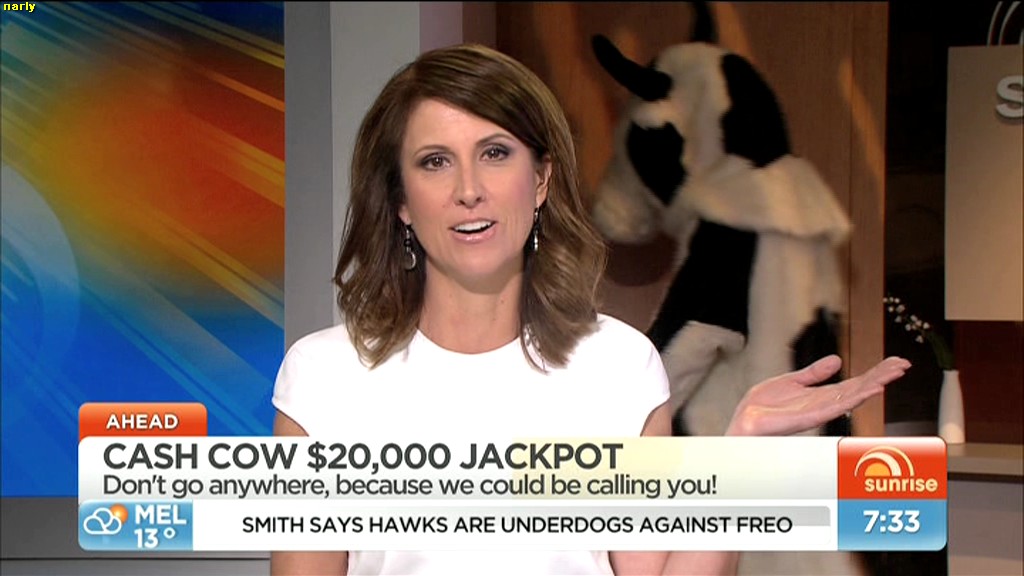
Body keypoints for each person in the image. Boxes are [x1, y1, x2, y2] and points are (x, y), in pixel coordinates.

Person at [269, 43, 910, 576]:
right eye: (435, 162)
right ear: (402, 201)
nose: (468, 190)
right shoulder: (324, 375)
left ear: (540, 181)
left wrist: (740, 454)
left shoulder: (620, 365)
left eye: (495, 153)